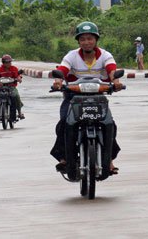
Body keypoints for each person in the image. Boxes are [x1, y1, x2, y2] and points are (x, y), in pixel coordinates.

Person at [50, 21, 123, 176]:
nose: (86, 42)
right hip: (73, 97)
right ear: (78, 41)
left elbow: (112, 70)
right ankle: (64, 158)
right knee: (64, 123)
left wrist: (116, 82)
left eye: (90, 38)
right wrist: (58, 81)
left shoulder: (105, 55)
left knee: (109, 124)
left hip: (98, 97)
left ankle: (109, 159)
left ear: (96, 40)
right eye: (82, 39)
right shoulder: (71, 56)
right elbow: (62, 70)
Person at [0, 54, 24, 119]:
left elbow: (17, 76)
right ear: (3, 63)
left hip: (12, 87)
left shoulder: (14, 68)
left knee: (16, 96)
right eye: (7, 62)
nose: (8, 63)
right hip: (2, 88)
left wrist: (18, 79)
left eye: (10, 62)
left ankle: (19, 112)